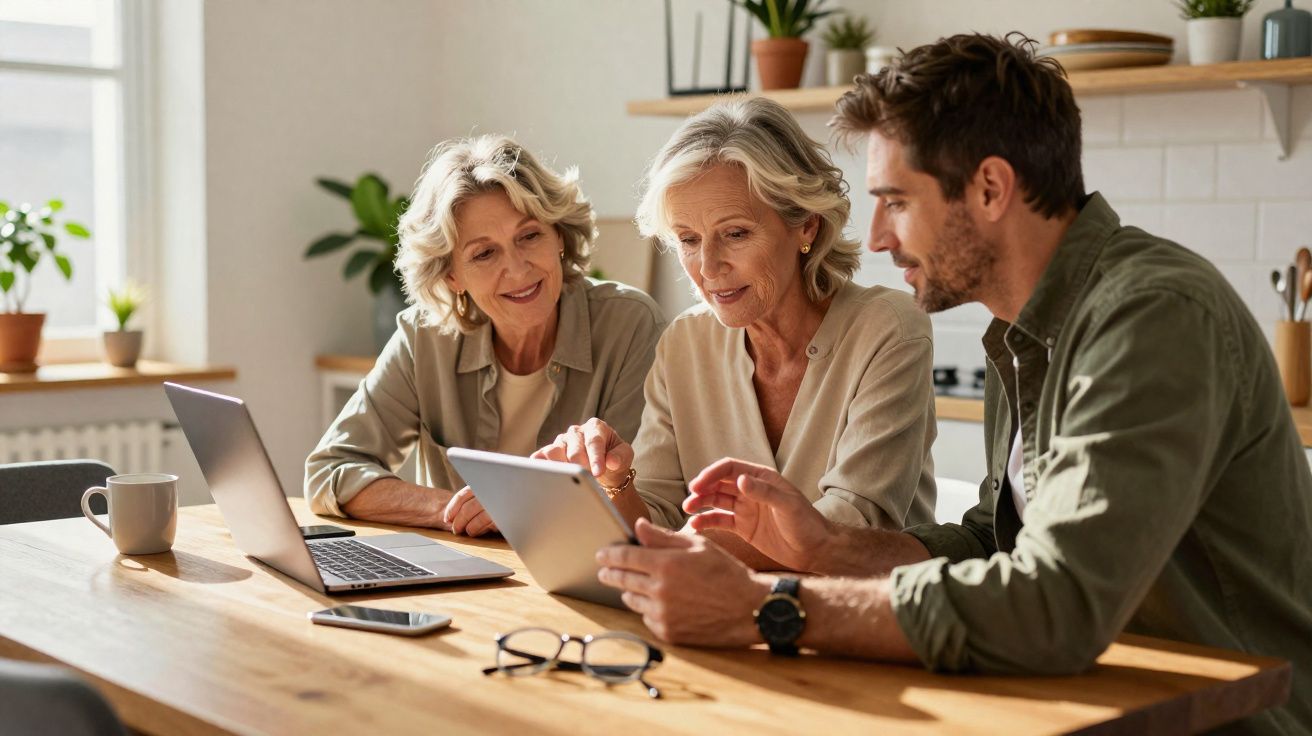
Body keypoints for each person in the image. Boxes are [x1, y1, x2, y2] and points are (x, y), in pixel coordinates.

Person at [593, 34, 1312, 735]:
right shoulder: (1023, 331)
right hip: (1086, 700)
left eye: (896, 201)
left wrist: (762, 607)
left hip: (1225, 719)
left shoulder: (1153, 315)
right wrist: (824, 551)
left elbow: (1056, 602)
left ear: (991, 188)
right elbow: (995, 546)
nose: (874, 237)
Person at [535, 97, 938, 568]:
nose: (708, 267)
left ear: (805, 224)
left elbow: (851, 523)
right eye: (688, 240)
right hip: (716, 617)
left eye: (737, 233)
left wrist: (677, 549)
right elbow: (656, 516)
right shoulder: (684, 344)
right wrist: (614, 480)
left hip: (861, 622)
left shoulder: (888, 327)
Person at [305, 135, 665, 536]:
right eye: (484, 253)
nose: (517, 269)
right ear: (452, 275)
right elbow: (329, 470)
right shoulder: (423, 336)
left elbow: (641, 506)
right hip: (459, 582)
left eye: (529, 236)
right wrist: (459, 508)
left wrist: (510, 508)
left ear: (558, 236)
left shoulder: (631, 325)